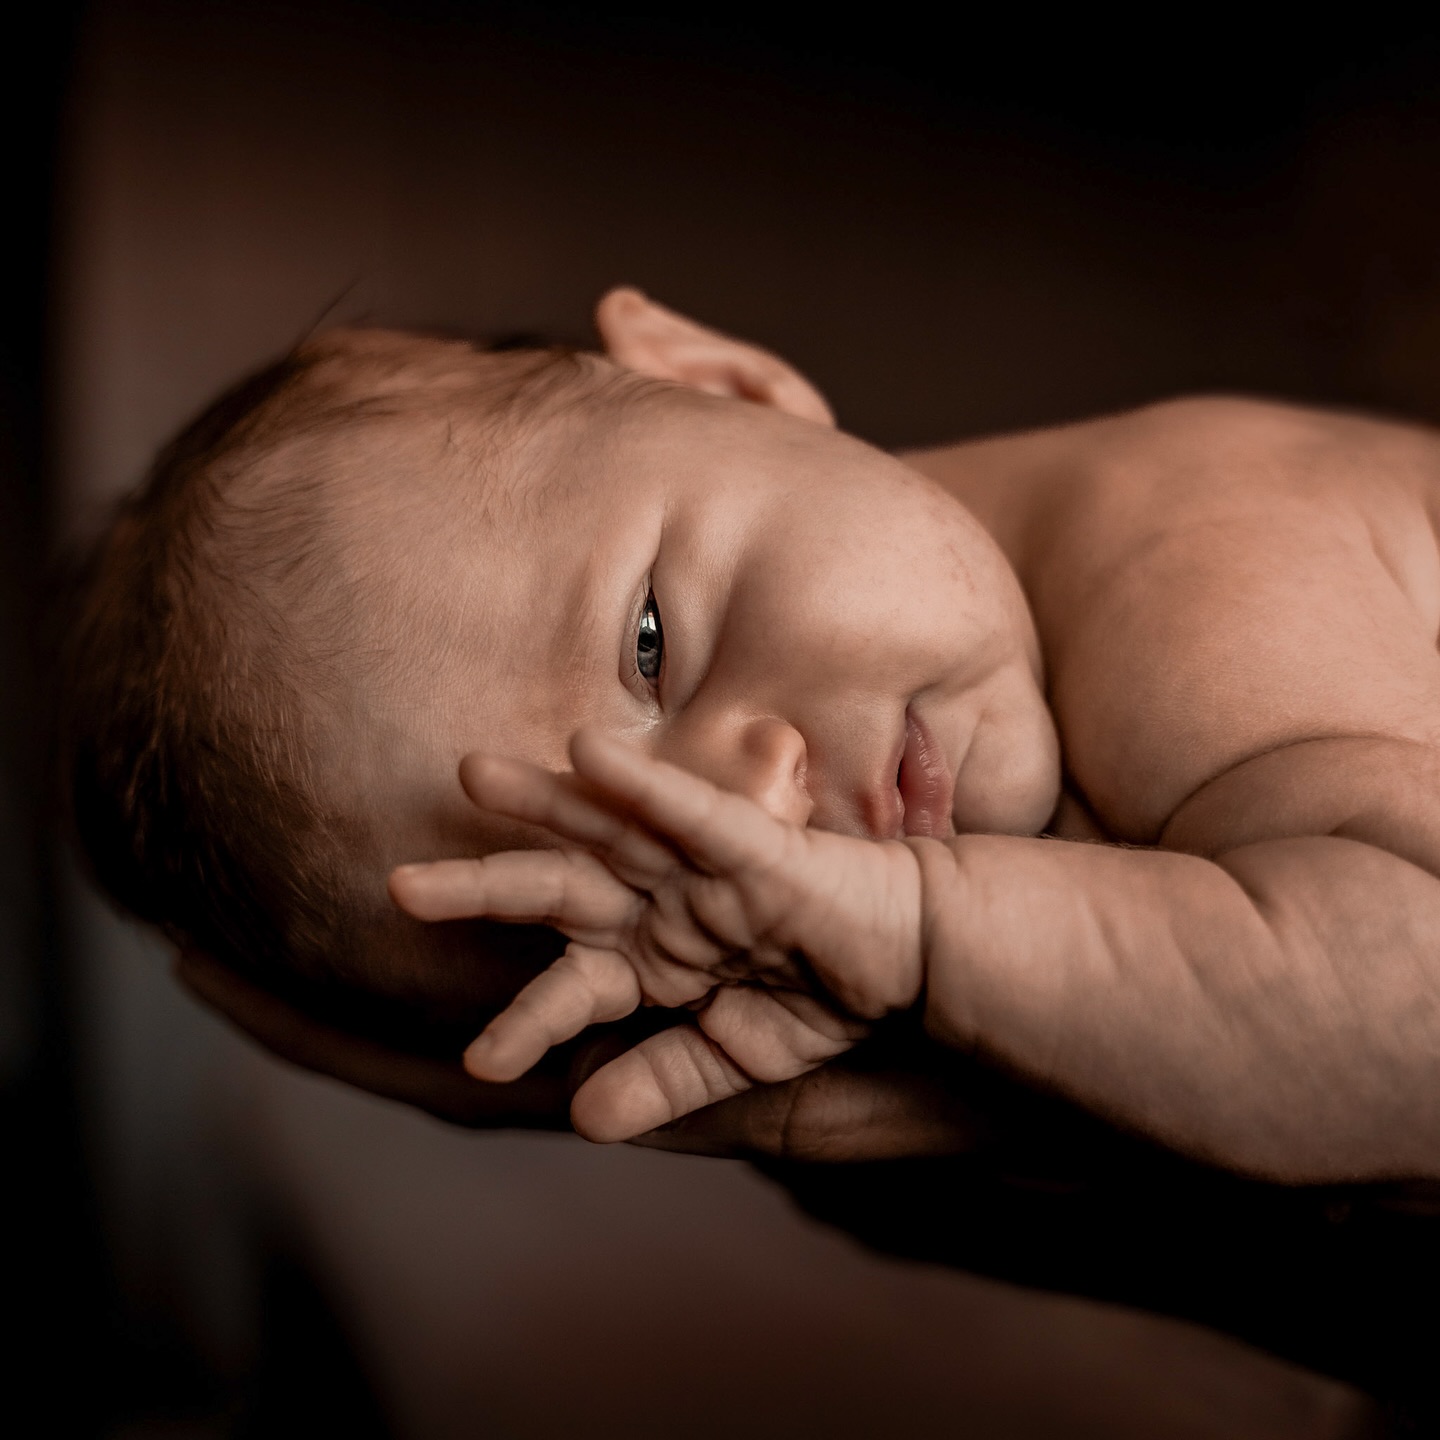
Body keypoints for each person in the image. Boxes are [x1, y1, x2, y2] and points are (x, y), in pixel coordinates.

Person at [63, 287, 1440, 1186]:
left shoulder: (1187, 580)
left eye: (651, 645)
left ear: (728, 383)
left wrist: (924, 941)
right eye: (613, 886)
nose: (753, 810)